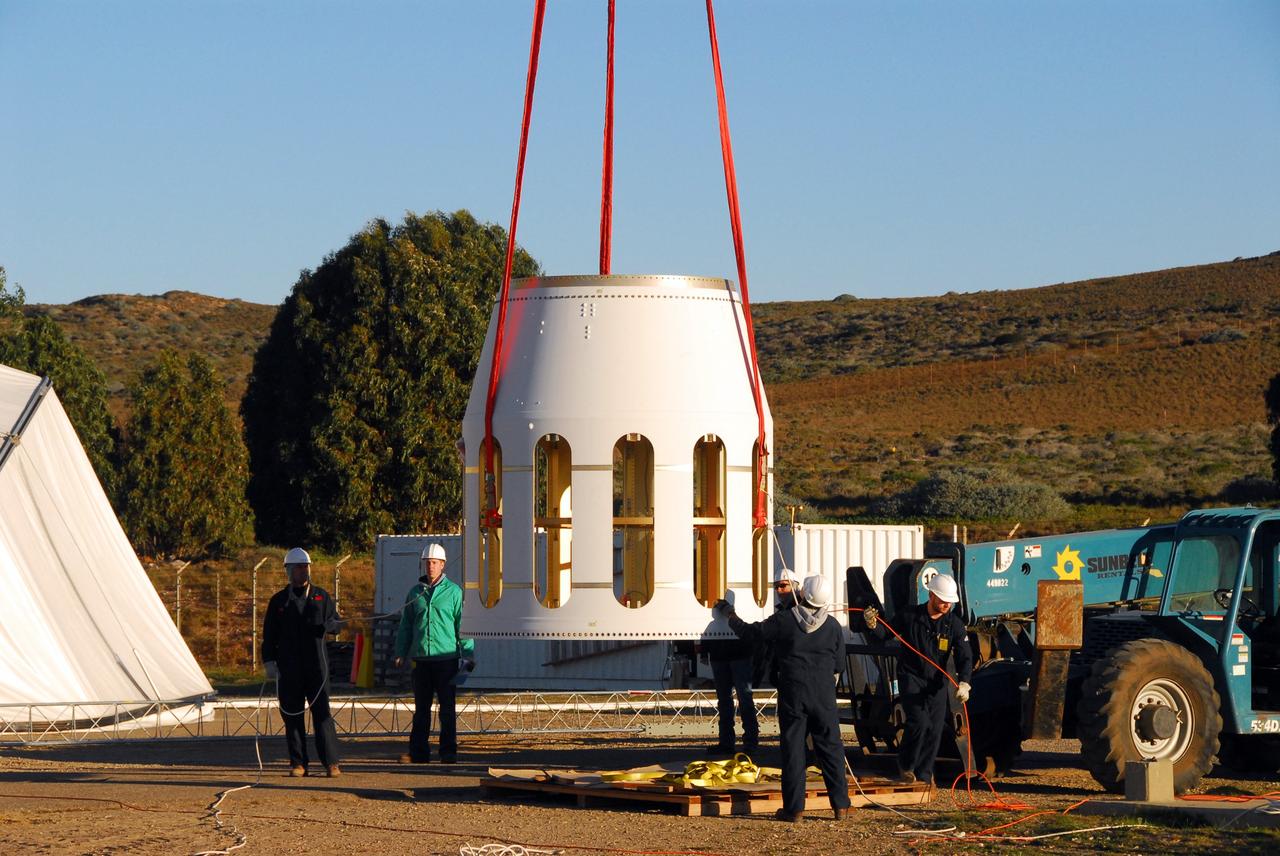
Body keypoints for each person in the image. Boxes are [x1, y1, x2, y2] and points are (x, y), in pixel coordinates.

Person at [715, 575, 851, 823]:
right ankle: (840, 806)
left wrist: (730, 615)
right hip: (823, 695)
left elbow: (751, 634)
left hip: (794, 692)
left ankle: (794, 809)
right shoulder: (832, 626)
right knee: (831, 748)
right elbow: (840, 664)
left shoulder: (786, 620)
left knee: (793, 750)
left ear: (802, 594)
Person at [864, 572, 973, 786]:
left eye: (950, 602)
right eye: (943, 600)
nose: (946, 606)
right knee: (919, 723)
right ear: (931, 595)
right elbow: (885, 634)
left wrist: (965, 682)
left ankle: (924, 773)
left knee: (934, 729)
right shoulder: (910, 616)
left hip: (937, 682)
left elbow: (965, 655)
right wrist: (872, 624)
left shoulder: (954, 625)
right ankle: (906, 766)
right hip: (911, 677)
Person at [262, 547, 342, 778]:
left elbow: (337, 623)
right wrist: (269, 661)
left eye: (305, 567)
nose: (302, 571)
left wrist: (332, 627)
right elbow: (269, 635)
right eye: (298, 567)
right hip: (289, 668)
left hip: (317, 667)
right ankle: (298, 763)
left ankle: (331, 763)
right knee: (292, 716)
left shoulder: (321, 596)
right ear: (288, 570)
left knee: (322, 715)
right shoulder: (278, 601)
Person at [394, 543, 475, 764]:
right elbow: (406, 626)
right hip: (421, 661)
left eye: (434, 562)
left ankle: (448, 752)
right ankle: (419, 753)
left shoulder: (454, 593)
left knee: (447, 710)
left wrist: (467, 655)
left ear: (442, 565)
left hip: (446, 660)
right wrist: (401, 651)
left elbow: (462, 626)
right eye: (427, 562)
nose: (430, 566)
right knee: (421, 710)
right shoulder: (415, 594)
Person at [703, 634, 758, 756]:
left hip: (731, 651)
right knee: (738, 698)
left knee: (734, 699)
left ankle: (739, 743)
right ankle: (747, 743)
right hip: (732, 652)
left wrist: (704, 649)